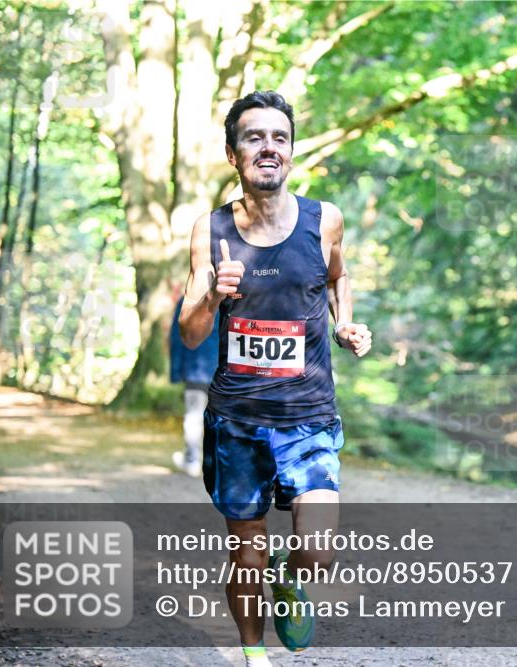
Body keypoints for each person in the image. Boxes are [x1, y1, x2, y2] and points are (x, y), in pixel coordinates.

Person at [178, 90, 371, 667]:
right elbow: (190, 333)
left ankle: (294, 580)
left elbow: (337, 278)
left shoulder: (324, 220)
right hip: (237, 423)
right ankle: (253, 654)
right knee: (246, 553)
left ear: (291, 152)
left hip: (308, 416)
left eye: (279, 137)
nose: (269, 147)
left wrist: (346, 324)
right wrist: (213, 293)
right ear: (234, 154)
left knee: (318, 548)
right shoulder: (210, 230)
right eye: (254, 137)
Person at [168, 293, 219, 477]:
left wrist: (176, 371)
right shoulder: (229, 298)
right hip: (221, 370)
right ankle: (214, 461)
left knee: (194, 415)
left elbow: (176, 337)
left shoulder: (188, 300)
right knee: (218, 418)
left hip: (195, 368)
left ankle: (192, 460)